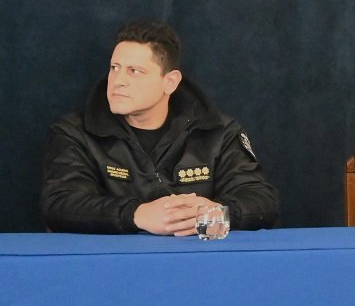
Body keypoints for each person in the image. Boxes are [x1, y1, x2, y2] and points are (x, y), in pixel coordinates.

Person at [41, 20, 279, 234]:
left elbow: (262, 200)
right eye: (114, 68)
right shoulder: (75, 132)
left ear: (170, 82)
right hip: (111, 263)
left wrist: (218, 213)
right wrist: (135, 215)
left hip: (197, 262)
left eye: (134, 71)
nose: (118, 81)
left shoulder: (219, 133)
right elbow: (60, 204)